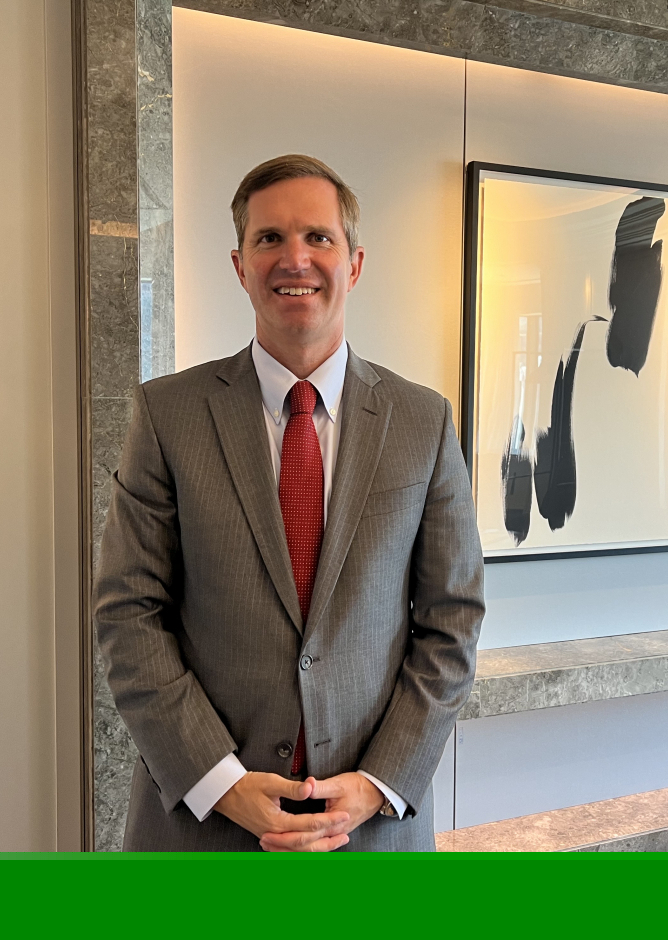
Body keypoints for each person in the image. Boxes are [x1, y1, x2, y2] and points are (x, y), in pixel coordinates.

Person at [94, 154, 485, 851]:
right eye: (269, 239)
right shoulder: (167, 415)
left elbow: (451, 621)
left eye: (318, 237)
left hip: (370, 833)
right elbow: (128, 611)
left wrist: (379, 783)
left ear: (355, 263)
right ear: (240, 266)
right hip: (201, 828)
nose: (293, 258)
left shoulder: (422, 422)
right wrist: (220, 781)